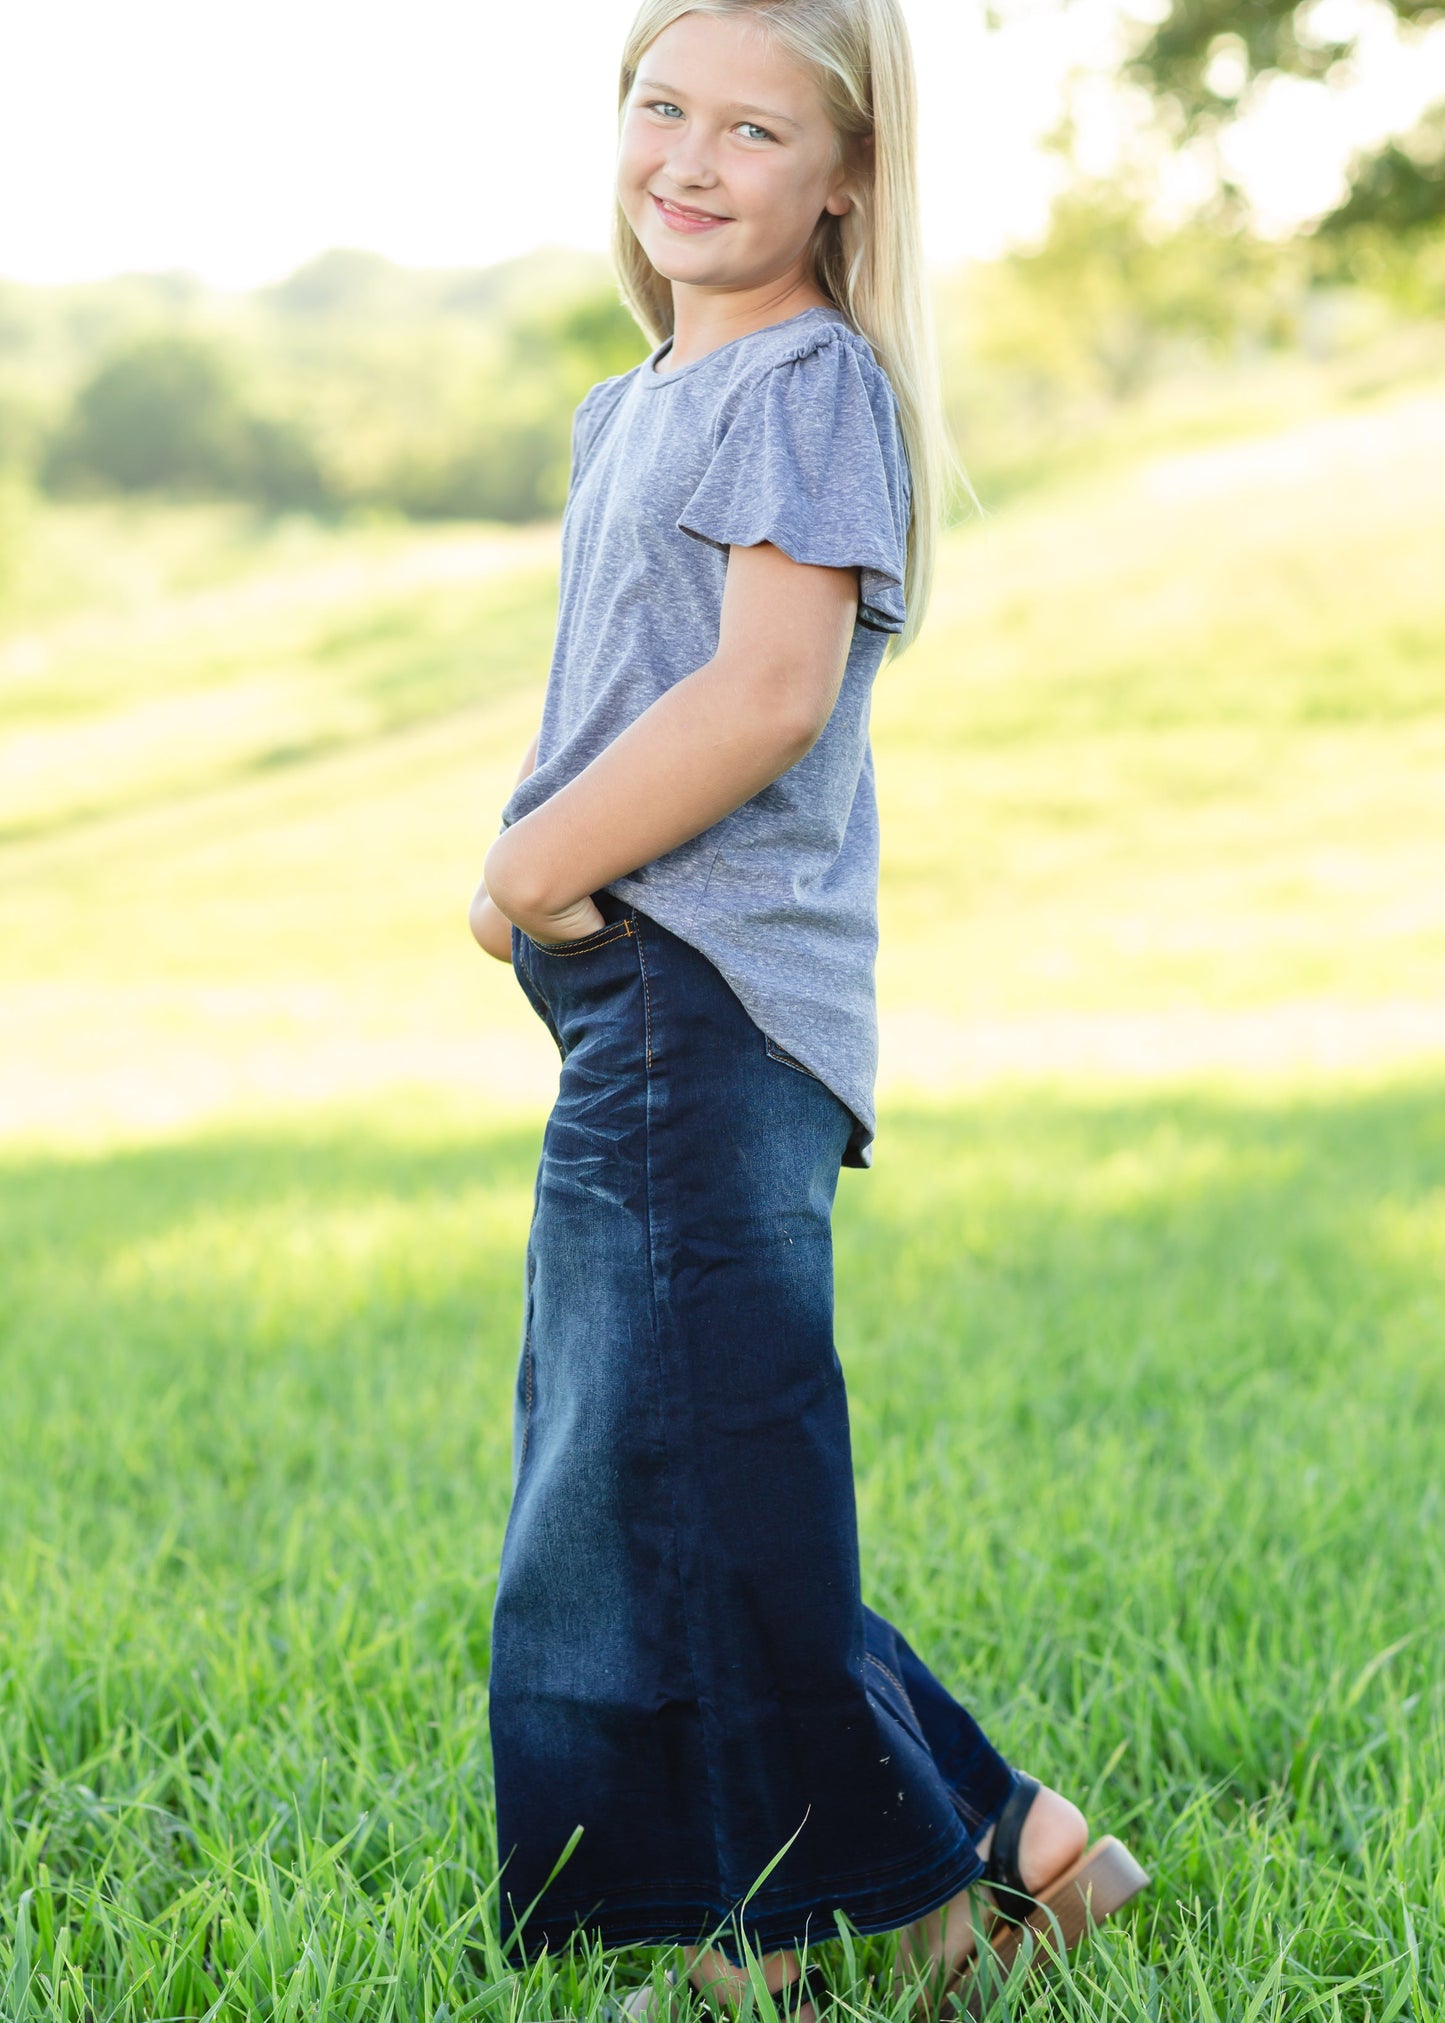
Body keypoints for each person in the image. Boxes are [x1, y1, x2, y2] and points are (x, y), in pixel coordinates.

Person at [468, 2, 1148, 2014]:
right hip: (636, 998)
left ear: (844, 177)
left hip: (708, 995)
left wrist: (529, 865)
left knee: (674, 1477)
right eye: (658, 105)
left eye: (755, 128)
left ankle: (833, 1913)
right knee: (656, 1461)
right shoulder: (647, 398)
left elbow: (764, 693)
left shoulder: (805, 383)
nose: (689, 154)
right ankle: (1010, 1848)